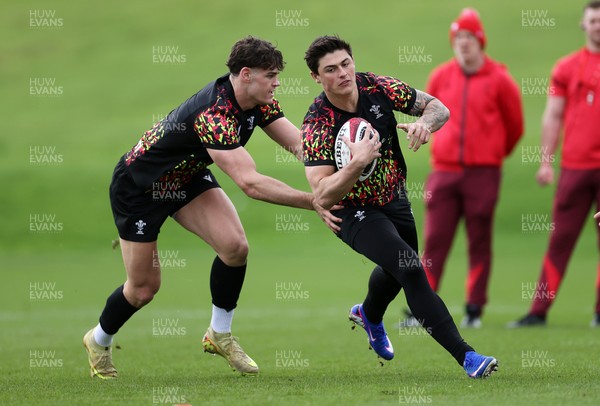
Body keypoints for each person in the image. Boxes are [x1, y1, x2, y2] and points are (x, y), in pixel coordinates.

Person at [83, 36, 339, 379]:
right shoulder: (214, 114)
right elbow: (250, 183)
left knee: (235, 248)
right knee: (143, 289)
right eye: (271, 75)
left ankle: (219, 334)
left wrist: (339, 174)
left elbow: (300, 146)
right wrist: (314, 201)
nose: (277, 82)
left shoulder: (259, 101)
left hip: (185, 179)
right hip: (139, 188)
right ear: (246, 74)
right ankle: (98, 340)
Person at [301, 35, 498, 378]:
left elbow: (439, 107)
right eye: (330, 70)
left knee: (396, 271)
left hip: (394, 199)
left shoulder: (377, 86)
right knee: (409, 268)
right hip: (351, 212)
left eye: (346, 63)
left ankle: (368, 315)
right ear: (317, 78)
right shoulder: (317, 123)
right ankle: (468, 357)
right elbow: (321, 195)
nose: (343, 73)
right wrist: (355, 165)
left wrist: (425, 123)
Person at [413, 8, 524, 328]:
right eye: (458, 37)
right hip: (444, 171)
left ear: (480, 41)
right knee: (435, 240)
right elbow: (426, 114)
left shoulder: (500, 79)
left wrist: (492, 155)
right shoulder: (441, 76)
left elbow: (515, 126)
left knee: (479, 239)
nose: (463, 43)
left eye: (469, 37)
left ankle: (474, 309)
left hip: (483, 173)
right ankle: (424, 309)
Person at [509, 1, 600, 328]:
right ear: (583, 24)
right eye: (593, 20)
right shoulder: (566, 67)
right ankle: (538, 311)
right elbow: (553, 115)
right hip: (575, 166)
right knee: (560, 237)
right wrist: (546, 161)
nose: (597, 26)